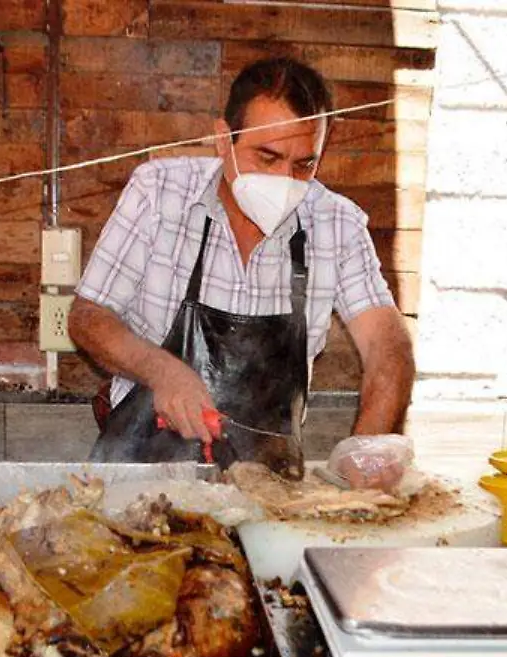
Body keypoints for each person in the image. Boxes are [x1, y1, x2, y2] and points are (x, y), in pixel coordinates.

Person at [68, 56, 415, 487]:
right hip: (139, 479)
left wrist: (369, 449)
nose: (284, 179)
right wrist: (162, 370)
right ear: (223, 140)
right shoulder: (158, 193)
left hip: (267, 490)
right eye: (267, 157)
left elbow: (388, 346)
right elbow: (88, 317)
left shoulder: (337, 224)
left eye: (303, 165)